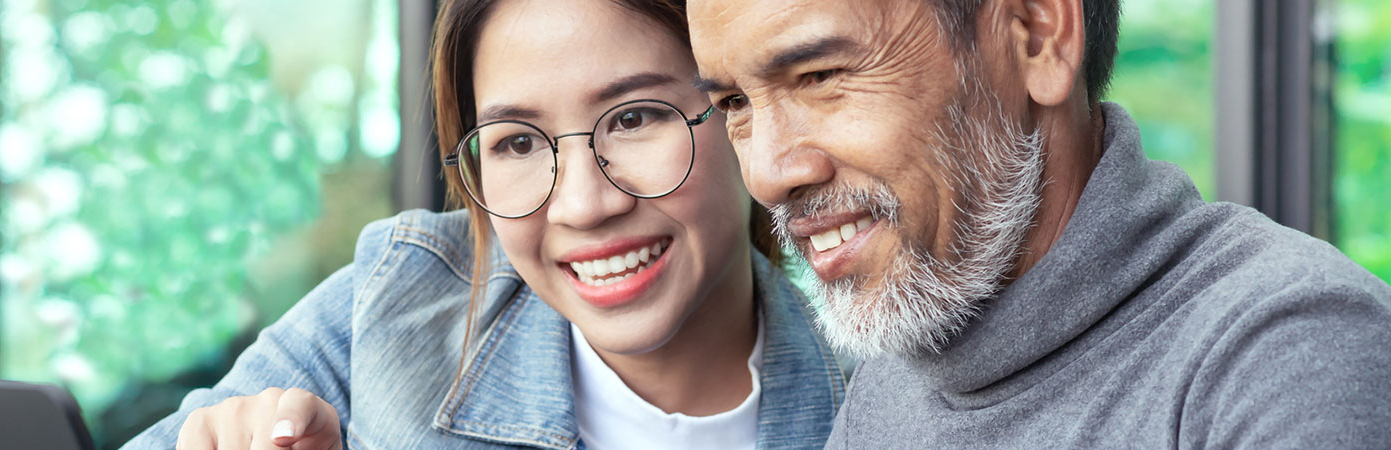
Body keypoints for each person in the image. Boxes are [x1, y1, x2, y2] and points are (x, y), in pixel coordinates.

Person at [122, 0, 847, 448]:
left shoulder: (884, 394)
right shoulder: (397, 300)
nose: (583, 205)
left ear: (738, 113)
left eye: (633, 119)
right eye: (519, 143)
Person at [683, 0, 1391, 447]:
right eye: (735, 105)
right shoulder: (892, 383)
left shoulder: (1285, 349)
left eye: (820, 75)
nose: (769, 173)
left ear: (1037, 37)